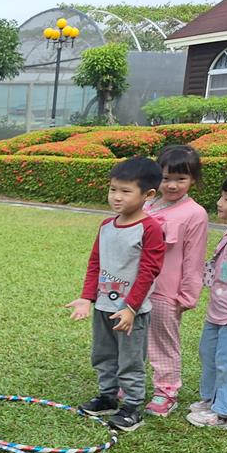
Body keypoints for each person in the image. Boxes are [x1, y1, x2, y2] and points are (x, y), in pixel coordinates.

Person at [66, 156, 166, 432]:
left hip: (131, 312)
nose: (116, 197)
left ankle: (132, 407)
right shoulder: (106, 226)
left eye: (125, 191)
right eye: (113, 189)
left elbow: (149, 271)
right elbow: (95, 263)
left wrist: (131, 308)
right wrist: (87, 297)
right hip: (103, 307)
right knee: (103, 354)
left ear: (148, 195)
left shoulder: (150, 228)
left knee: (130, 360)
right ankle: (107, 397)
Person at [142, 145, 209, 417]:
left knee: (163, 342)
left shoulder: (195, 213)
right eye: (165, 178)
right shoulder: (146, 204)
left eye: (180, 179)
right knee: (130, 338)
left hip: (165, 292)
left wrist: (187, 295)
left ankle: (166, 391)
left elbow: (194, 259)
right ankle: (128, 383)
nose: (172, 185)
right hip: (135, 288)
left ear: (193, 179)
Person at [188, 176, 227, 428]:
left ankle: (225, 411)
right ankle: (211, 399)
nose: (219, 202)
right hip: (217, 311)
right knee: (209, 353)